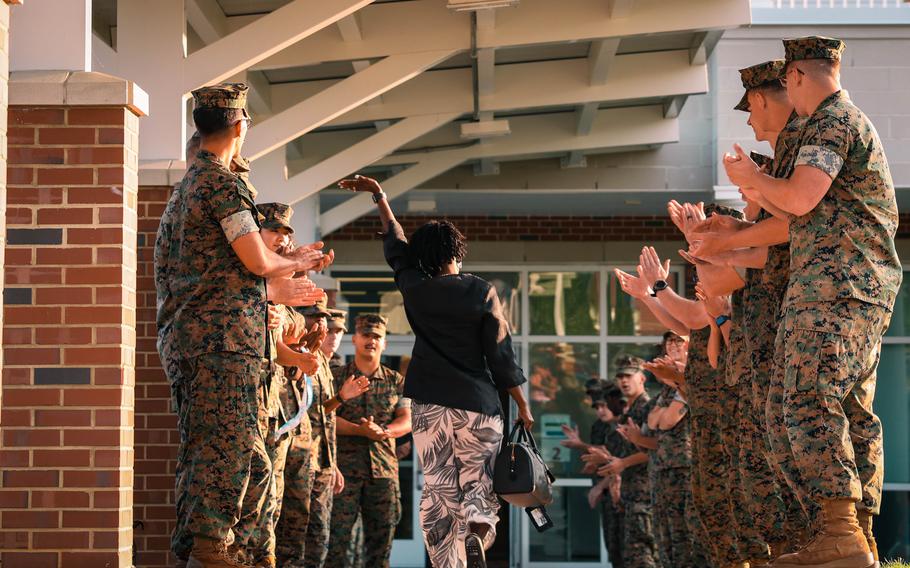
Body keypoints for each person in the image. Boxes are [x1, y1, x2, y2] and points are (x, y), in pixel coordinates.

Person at [725, 35, 900, 568]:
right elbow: (797, 210)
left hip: (839, 286)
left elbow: (800, 199)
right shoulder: (829, 121)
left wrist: (753, 181)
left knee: (805, 401)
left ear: (797, 76)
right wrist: (753, 198)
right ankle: (847, 533)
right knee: (813, 406)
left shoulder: (830, 121)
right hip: (835, 285)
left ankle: (842, 532)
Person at [155, 83, 332, 568]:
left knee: (207, 450)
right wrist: (290, 260)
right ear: (239, 126)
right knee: (229, 451)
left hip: (193, 340)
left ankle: (200, 550)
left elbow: (220, 270)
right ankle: (211, 551)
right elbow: (254, 261)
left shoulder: (185, 189)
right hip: (223, 344)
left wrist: (285, 265)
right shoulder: (222, 185)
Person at [339, 174, 533, 568]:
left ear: (423, 257)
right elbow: (501, 355)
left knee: (441, 493)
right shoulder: (480, 291)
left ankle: (449, 562)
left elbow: (395, 247)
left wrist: (380, 197)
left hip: (429, 407)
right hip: (477, 405)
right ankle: (478, 532)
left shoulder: (414, 288)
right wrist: (523, 405)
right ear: (458, 252)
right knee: (478, 491)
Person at [276, 297, 366, 568]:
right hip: (298, 462)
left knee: (318, 542)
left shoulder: (322, 363)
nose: (321, 322)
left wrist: (340, 397)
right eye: (314, 316)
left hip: (321, 464)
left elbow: (319, 412)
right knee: (293, 541)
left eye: (323, 317)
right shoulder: (291, 356)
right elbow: (294, 408)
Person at [327, 314, 411, 568]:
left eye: (377, 337)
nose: (371, 341)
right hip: (344, 474)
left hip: (383, 473)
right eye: (366, 335)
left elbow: (407, 419)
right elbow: (325, 417)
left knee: (380, 547)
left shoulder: (396, 381)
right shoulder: (337, 377)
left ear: (384, 343)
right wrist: (358, 430)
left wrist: (383, 431)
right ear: (354, 340)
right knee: (336, 546)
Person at [597, 356, 659, 568]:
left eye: (628, 375)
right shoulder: (627, 412)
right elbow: (623, 453)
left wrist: (622, 464)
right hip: (627, 495)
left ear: (641, 378)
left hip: (643, 495)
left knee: (642, 558)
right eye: (620, 376)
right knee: (626, 558)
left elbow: (657, 448)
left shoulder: (648, 408)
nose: (624, 381)